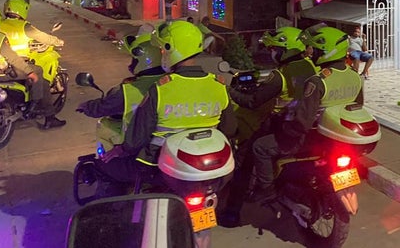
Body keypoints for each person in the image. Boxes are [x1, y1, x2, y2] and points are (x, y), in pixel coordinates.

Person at [94, 20, 236, 193]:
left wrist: (120, 150)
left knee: (103, 164)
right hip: (206, 169)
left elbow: (138, 137)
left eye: (162, 49)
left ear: (170, 49)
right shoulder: (218, 85)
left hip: (156, 165)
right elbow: (230, 128)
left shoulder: (161, 88)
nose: (161, 54)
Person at [249, 25, 363, 203]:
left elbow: (302, 122)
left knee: (260, 146)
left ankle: (267, 190)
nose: (311, 53)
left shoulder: (318, 81)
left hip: (311, 138)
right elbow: (358, 106)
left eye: (316, 50)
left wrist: (285, 128)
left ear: (328, 52)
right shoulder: (355, 76)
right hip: (334, 138)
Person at [218, 26, 318, 227]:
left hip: (281, 126)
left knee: (244, 162)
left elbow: (253, 101)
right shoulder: (310, 67)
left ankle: (233, 212)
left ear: (285, 50)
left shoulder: (279, 76)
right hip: (304, 126)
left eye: (275, 49)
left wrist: (228, 90)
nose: (273, 53)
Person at [0, 4, 65, 129]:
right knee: (38, 73)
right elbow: (12, 57)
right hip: (2, 71)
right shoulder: (0, 36)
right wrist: (29, 72)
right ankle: (40, 108)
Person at [77, 25, 164, 131]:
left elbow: (104, 107)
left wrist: (85, 106)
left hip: (137, 137)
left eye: (133, 60)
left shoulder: (128, 90)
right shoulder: (172, 80)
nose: (131, 63)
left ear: (142, 59)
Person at [0, 0, 64, 56]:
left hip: (3, 58)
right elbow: (42, 37)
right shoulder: (24, 27)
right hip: (21, 58)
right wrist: (58, 42)